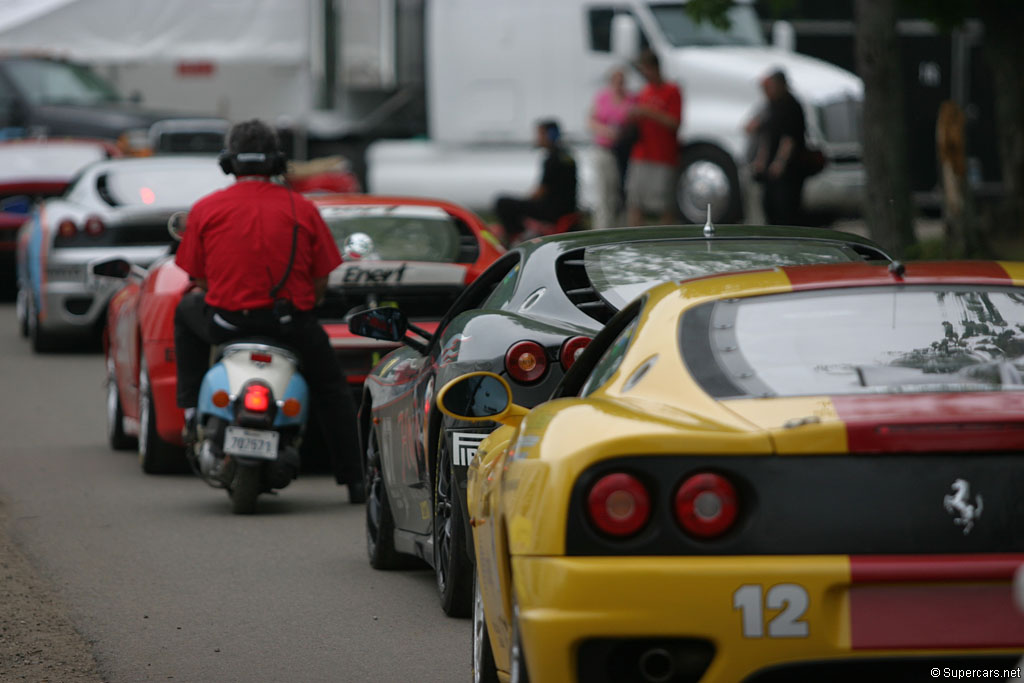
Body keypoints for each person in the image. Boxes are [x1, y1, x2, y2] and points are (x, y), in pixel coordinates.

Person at [172, 119, 364, 503]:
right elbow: (322, 278)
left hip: (227, 326)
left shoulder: (206, 209)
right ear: (277, 162)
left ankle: (192, 408)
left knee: (185, 310)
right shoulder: (302, 209)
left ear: (229, 163)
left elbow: (198, 276)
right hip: (290, 327)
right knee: (332, 391)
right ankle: (356, 481)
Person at [494, 119, 577, 244]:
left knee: (503, 202)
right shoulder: (567, 156)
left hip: (552, 211)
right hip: (567, 210)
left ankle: (513, 238)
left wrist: (523, 202)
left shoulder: (552, 160)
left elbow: (540, 192)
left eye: (540, 134)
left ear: (551, 135)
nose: (537, 138)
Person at [624, 50, 682, 227]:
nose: (644, 74)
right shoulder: (644, 91)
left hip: (663, 156)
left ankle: (665, 244)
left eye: (646, 70)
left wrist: (649, 113)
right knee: (635, 203)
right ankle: (634, 243)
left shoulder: (672, 91)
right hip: (641, 154)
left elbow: (675, 123)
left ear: (655, 68)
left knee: (663, 206)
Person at [749, 69, 807, 225]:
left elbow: (789, 139)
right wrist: (761, 160)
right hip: (771, 167)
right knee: (769, 206)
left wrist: (779, 162)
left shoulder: (791, 106)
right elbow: (765, 136)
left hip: (789, 170)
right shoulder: (771, 106)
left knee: (786, 209)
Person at [588, 67, 634, 229]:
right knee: (604, 192)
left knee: (619, 193)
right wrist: (605, 131)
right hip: (605, 149)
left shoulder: (630, 100)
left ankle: (619, 225)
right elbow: (591, 120)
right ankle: (602, 227)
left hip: (623, 152)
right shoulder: (602, 98)